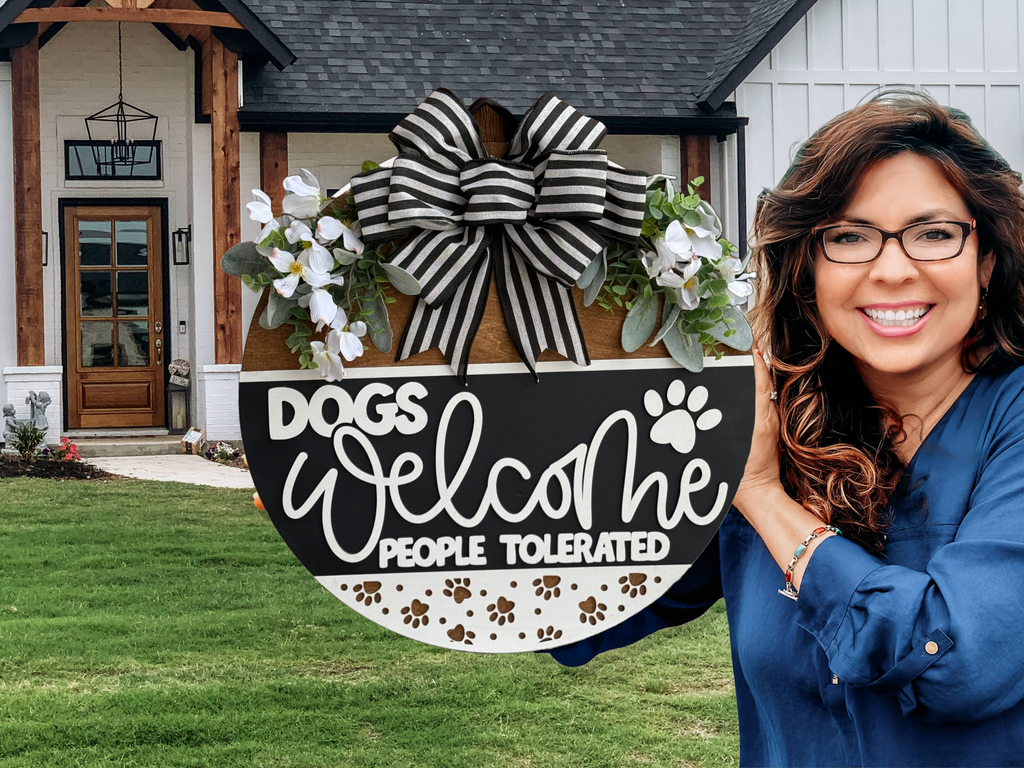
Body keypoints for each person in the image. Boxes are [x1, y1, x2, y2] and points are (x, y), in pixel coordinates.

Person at [548, 90, 1024, 767]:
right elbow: (582, 602)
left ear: (986, 259)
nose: (892, 269)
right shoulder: (776, 422)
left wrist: (765, 498)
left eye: (935, 233)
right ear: (808, 267)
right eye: (849, 237)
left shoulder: (1010, 421)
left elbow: (957, 663)